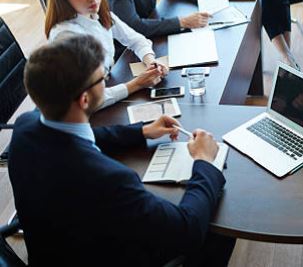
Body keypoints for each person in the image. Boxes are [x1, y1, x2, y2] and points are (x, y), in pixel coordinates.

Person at [8, 34, 235, 266]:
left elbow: (80, 137)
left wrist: (141, 131)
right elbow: (187, 231)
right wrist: (204, 160)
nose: (106, 81)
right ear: (85, 100)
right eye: (102, 78)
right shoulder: (109, 179)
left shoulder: (26, 126)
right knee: (218, 229)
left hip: (52, 251)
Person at [45, 0, 168, 110]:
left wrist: (151, 61)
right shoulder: (66, 37)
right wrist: (136, 84)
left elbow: (136, 39)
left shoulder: (98, 14)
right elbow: (87, 100)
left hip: (109, 88)